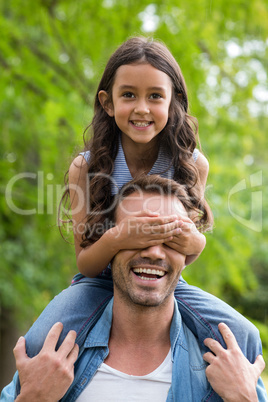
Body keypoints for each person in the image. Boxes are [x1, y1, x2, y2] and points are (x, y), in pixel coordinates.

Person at [1, 176, 266, 401]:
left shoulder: (227, 364)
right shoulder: (54, 359)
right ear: (110, 245)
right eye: (137, 235)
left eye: (171, 239)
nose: (153, 252)